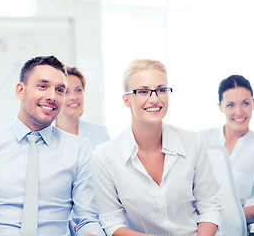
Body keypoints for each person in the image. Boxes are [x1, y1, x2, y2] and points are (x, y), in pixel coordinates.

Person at [0, 55, 105, 236]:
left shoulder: (79, 149)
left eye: (60, 90)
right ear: (21, 91)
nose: (52, 96)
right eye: (42, 86)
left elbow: (88, 220)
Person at [92, 59, 222, 236]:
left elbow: (210, 206)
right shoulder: (105, 155)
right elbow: (112, 222)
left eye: (161, 90)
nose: (154, 99)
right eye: (143, 91)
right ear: (126, 100)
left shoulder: (193, 142)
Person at [200, 75, 254, 220]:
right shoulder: (201, 139)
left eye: (245, 103)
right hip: (193, 223)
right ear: (220, 107)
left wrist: (224, 215)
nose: (239, 112)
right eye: (230, 105)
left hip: (232, 227)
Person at [55, 66, 109, 148]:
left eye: (78, 90)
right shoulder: (42, 134)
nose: (73, 97)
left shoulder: (100, 133)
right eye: (66, 92)